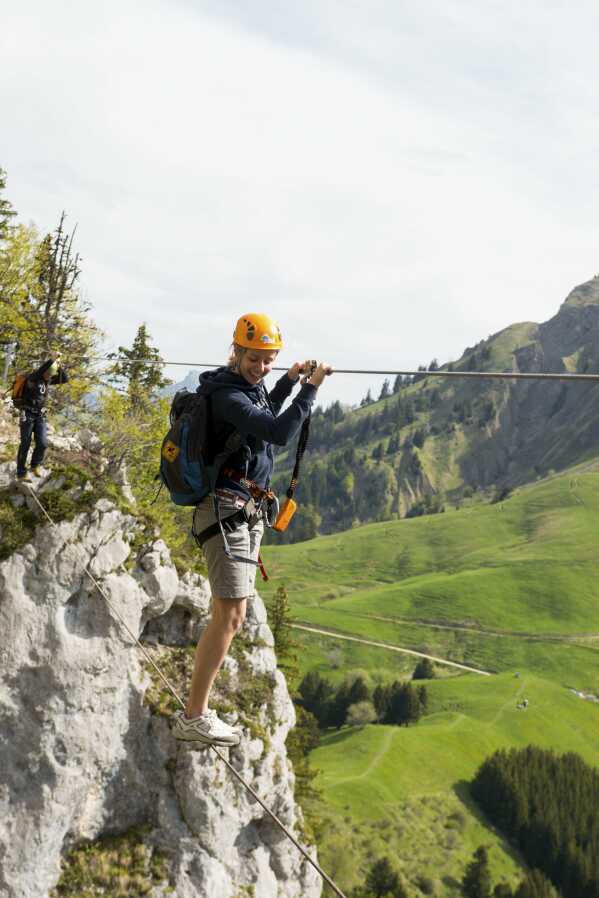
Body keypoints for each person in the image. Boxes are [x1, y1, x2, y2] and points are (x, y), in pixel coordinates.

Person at [172, 313, 332, 747]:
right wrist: (311, 390)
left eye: (269, 360)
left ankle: (197, 711)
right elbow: (277, 431)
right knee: (230, 615)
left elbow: (261, 410)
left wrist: (287, 384)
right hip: (225, 511)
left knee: (232, 615)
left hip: (243, 511)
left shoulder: (244, 388)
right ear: (237, 351)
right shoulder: (226, 396)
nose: (262, 368)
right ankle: (194, 716)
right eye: (255, 358)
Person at [16, 355, 68, 482]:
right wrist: (52, 359)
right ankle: (21, 473)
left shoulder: (48, 380)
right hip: (27, 413)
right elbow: (41, 370)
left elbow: (65, 379)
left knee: (43, 443)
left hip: (40, 415)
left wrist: (59, 365)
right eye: (49, 373)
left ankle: (35, 465)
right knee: (25, 443)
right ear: (44, 371)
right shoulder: (33, 378)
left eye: (52, 374)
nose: (50, 376)